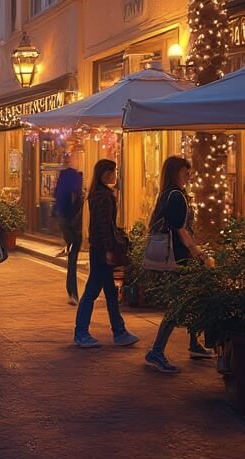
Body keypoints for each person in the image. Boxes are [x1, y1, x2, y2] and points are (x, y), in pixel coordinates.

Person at [144, 156, 215, 373]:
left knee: (190, 297)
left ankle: (194, 344)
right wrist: (197, 252)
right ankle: (157, 351)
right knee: (178, 303)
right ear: (176, 173)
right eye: (186, 172)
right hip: (179, 256)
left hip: (181, 254)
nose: (189, 176)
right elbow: (180, 229)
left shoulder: (169, 194)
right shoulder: (175, 196)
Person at [73, 159, 139, 350]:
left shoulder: (98, 194)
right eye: (111, 171)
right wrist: (108, 249)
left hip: (99, 249)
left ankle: (119, 331)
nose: (113, 175)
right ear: (102, 173)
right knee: (92, 291)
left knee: (110, 292)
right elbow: (102, 226)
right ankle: (82, 332)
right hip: (102, 250)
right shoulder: (103, 196)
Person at [54, 152, 85, 305]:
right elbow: (74, 199)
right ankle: (73, 292)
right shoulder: (74, 177)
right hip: (73, 222)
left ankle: (72, 292)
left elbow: (58, 197)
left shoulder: (62, 177)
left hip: (65, 220)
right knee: (73, 254)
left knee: (72, 253)